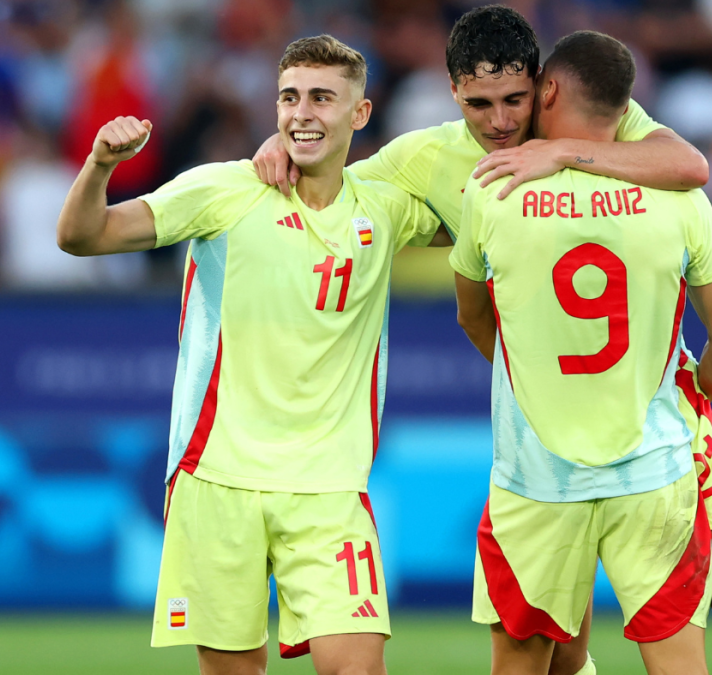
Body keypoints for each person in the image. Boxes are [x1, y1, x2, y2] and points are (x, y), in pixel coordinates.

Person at [257, 6, 712, 675]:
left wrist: (562, 150)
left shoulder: (592, 123)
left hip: (660, 409)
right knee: (559, 647)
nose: (498, 121)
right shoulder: (425, 159)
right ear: (451, 91)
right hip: (549, 435)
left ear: (542, 85)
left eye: (514, 99)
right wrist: (284, 147)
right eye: (478, 104)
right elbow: (333, 190)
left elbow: (689, 163)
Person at [56, 35, 442, 675]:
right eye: (289, 98)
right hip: (218, 479)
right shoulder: (223, 190)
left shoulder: (387, 207)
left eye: (322, 98)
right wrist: (100, 163)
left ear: (360, 113)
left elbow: (486, 215)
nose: (301, 114)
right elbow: (81, 236)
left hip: (329, 488)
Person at [450, 31, 712, 675]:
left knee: (527, 666)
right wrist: (685, 395)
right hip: (654, 473)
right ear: (627, 109)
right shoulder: (679, 199)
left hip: (535, 481)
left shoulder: (491, 190)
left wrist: (535, 373)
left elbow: (474, 317)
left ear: (547, 90)